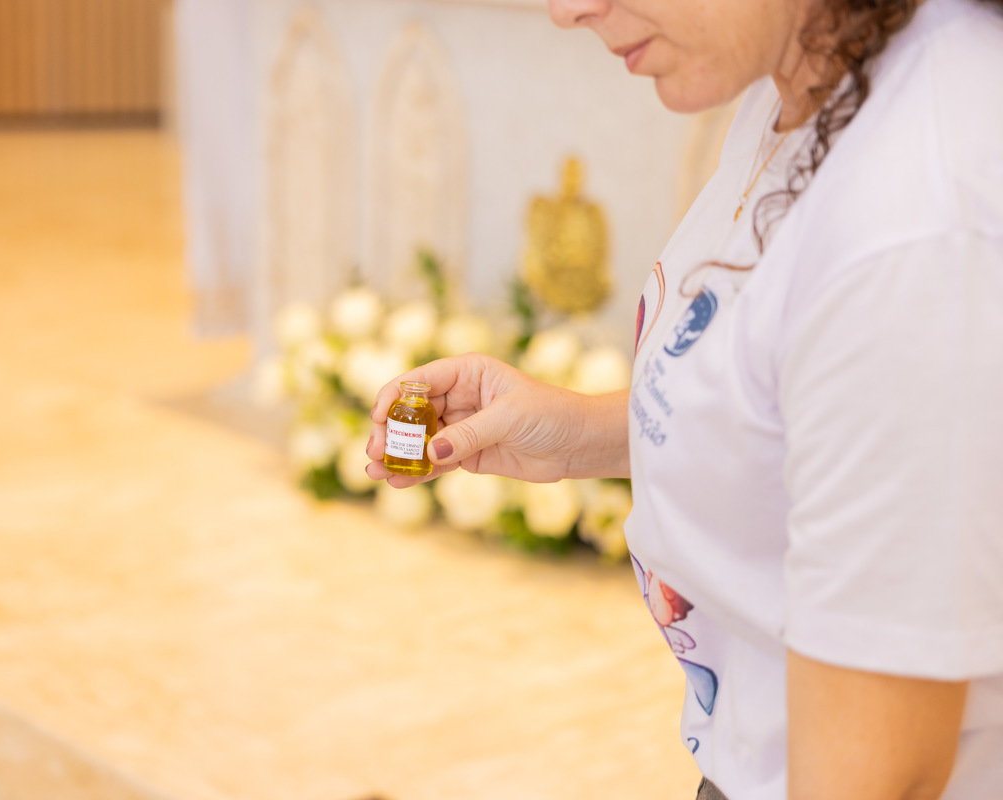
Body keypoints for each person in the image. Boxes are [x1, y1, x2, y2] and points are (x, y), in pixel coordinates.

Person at [365, 0, 1003, 797]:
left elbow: (880, 776)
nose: (568, 11)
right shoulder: (799, 68)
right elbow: (806, 404)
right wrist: (586, 432)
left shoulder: (914, 222)